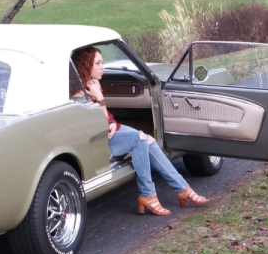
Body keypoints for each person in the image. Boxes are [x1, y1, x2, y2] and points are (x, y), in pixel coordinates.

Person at [71, 47, 208, 216]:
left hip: (111, 131)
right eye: (98, 63)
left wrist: (112, 122)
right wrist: (100, 100)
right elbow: (96, 125)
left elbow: (106, 119)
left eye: (102, 62)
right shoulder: (78, 95)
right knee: (140, 139)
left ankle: (182, 189)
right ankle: (150, 194)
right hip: (99, 141)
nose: (103, 67)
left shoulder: (94, 84)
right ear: (85, 66)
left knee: (148, 140)